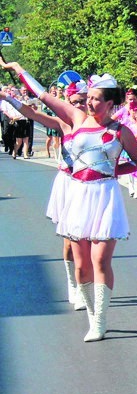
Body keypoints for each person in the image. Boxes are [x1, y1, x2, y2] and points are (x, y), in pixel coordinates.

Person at [2, 59, 137, 342]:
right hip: (79, 193)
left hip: (105, 195)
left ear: (109, 103)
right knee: (81, 265)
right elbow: (42, 96)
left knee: (100, 260)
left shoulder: (121, 131)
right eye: (88, 98)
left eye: (95, 99)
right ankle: (92, 316)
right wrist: (18, 70)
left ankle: (101, 321)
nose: (89, 103)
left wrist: (114, 171)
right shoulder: (77, 120)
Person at [0, 80, 89, 309]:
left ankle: (88, 285)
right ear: (67, 104)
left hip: (93, 187)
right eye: (75, 102)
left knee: (91, 239)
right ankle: (74, 283)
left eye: (83, 102)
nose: (79, 106)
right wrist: (8, 98)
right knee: (71, 240)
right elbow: (32, 113)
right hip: (69, 183)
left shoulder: (98, 125)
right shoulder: (61, 123)